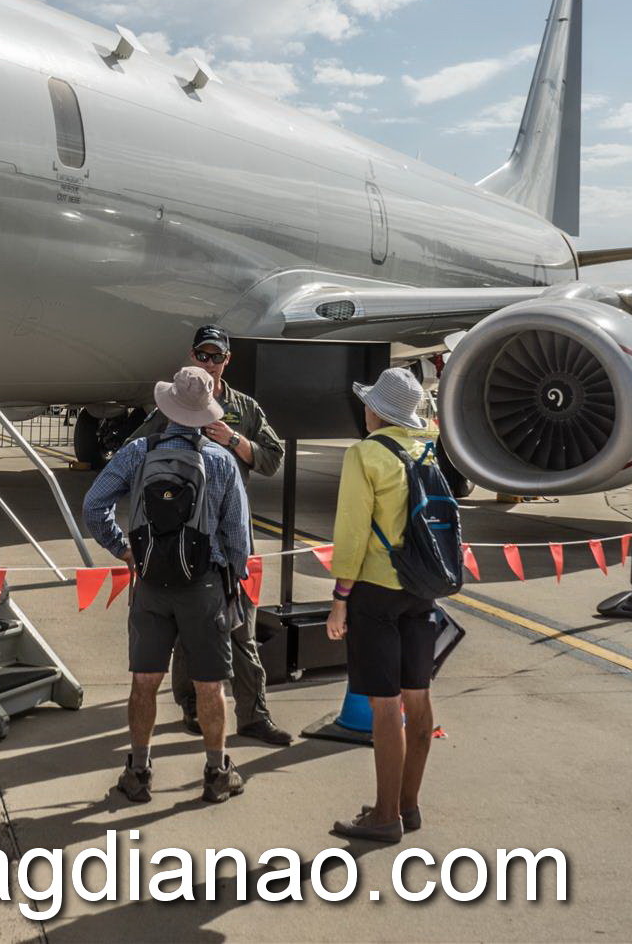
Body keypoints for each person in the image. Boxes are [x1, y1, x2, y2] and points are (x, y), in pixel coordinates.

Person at [83, 365, 252, 805]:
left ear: (169, 406)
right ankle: (217, 773)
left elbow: (94, 505)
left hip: (152, 584)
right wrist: (234, 580)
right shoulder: (221, 461)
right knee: (210, 686)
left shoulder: (137, 452)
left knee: (144, 681)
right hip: (204, 586)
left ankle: (138, 772)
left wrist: (124, 550)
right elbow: (238, 538)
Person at [130, 326, 291, 747]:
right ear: (191, 356)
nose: (208, 363)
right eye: (201, 355)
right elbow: (136, 450)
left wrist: (234, 441)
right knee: (188, 634)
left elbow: (273, 458)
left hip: (233, 535)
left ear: (227, 360)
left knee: (243, 628)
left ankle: (254, 714)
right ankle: (191, 708)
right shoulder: (173, 403)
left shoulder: (244, 408)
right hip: (183, 540)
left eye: (215, 356)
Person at [324, 367, 441, 844]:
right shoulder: (426, 447)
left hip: (376, 590)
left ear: (376, 410)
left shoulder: (365, 454)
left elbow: (351, 534)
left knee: (384, 704)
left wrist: (339, 601)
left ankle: (384, 816)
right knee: (418, 695)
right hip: (421, 585)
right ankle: (408, 804)